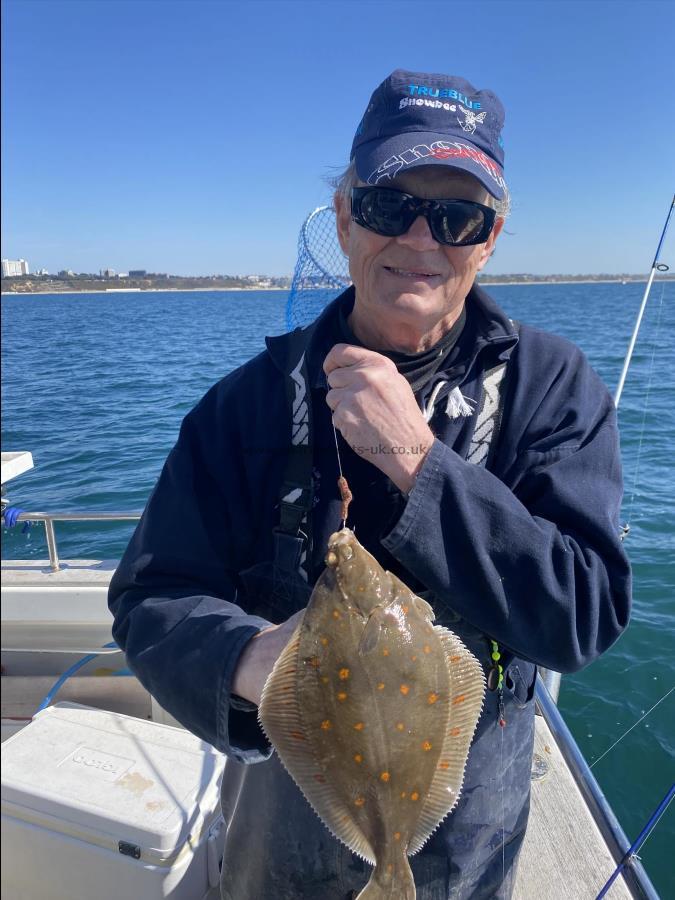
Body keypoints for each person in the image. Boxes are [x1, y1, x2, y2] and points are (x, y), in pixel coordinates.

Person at [108, 69, 631, 899]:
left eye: (457, 217)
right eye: (392, 206)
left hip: (467, 837)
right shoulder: (245, 406)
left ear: (488, 239)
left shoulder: (548, 386)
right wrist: (251, 659)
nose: (422, 240)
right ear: (346, 218)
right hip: (285, 824)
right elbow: (151, 597)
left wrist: (419, 461)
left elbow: (581, 616)